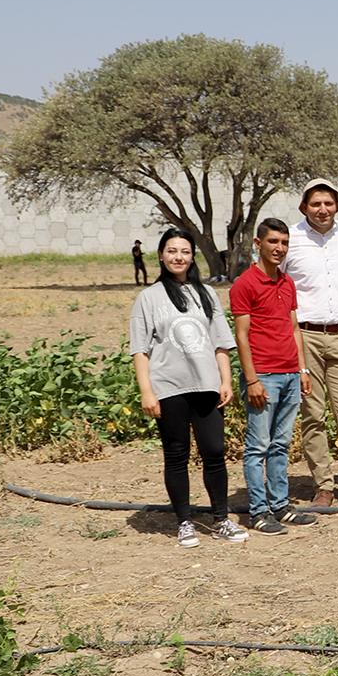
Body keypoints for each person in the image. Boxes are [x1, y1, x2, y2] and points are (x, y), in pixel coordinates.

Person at [130, 228, 245, 547]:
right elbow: (140, 349)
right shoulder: (148, 298)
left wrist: (225, 380)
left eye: (184, 251)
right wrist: (147, 391)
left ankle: (221, 519)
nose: (178, 257)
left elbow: (221, 342)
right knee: (176, 454)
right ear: (161, 255)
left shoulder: (206, 293)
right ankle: (184, 522)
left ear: (192, 257)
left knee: (214, 452)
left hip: (206, 385)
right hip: (168, 388)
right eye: (171, 251)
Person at [284, 178, 338, 506]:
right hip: (304, 336)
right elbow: (273, 280)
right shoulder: (291, 239)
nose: (323, 210)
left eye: (329, 204)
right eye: (316, 204)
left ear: (337, 205)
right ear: (304, 207)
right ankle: (323, 485)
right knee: (313, 414)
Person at [228, 217, 317, 533]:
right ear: (258, 244)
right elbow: (241, 335)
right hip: (263, 376)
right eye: (273, 242)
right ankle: (258, 511)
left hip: (290, 374)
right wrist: (251, 379)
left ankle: (280, 505)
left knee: (281, 444)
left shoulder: (287, 282)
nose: (279, 248)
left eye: (284, 243)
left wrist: (302, 369)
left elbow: (293, 328)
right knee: (258, 447)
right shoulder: (245, 284)